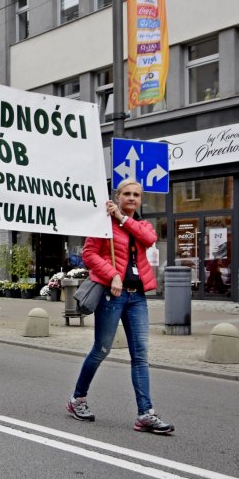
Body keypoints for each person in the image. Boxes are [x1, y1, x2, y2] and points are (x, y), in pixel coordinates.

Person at [67, 180, 174, 435]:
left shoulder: (141, 224)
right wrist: (112, 274)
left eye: (136, 195)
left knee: (140, 355)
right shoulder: (103, 224)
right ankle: (77, 400)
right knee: (101, 349)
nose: (132, 198)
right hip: (110, 295)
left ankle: (145, 414)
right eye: (127, 194)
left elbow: (149, 239)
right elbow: (89, 254)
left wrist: (123, 219)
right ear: (117, 195)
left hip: (137, 298)